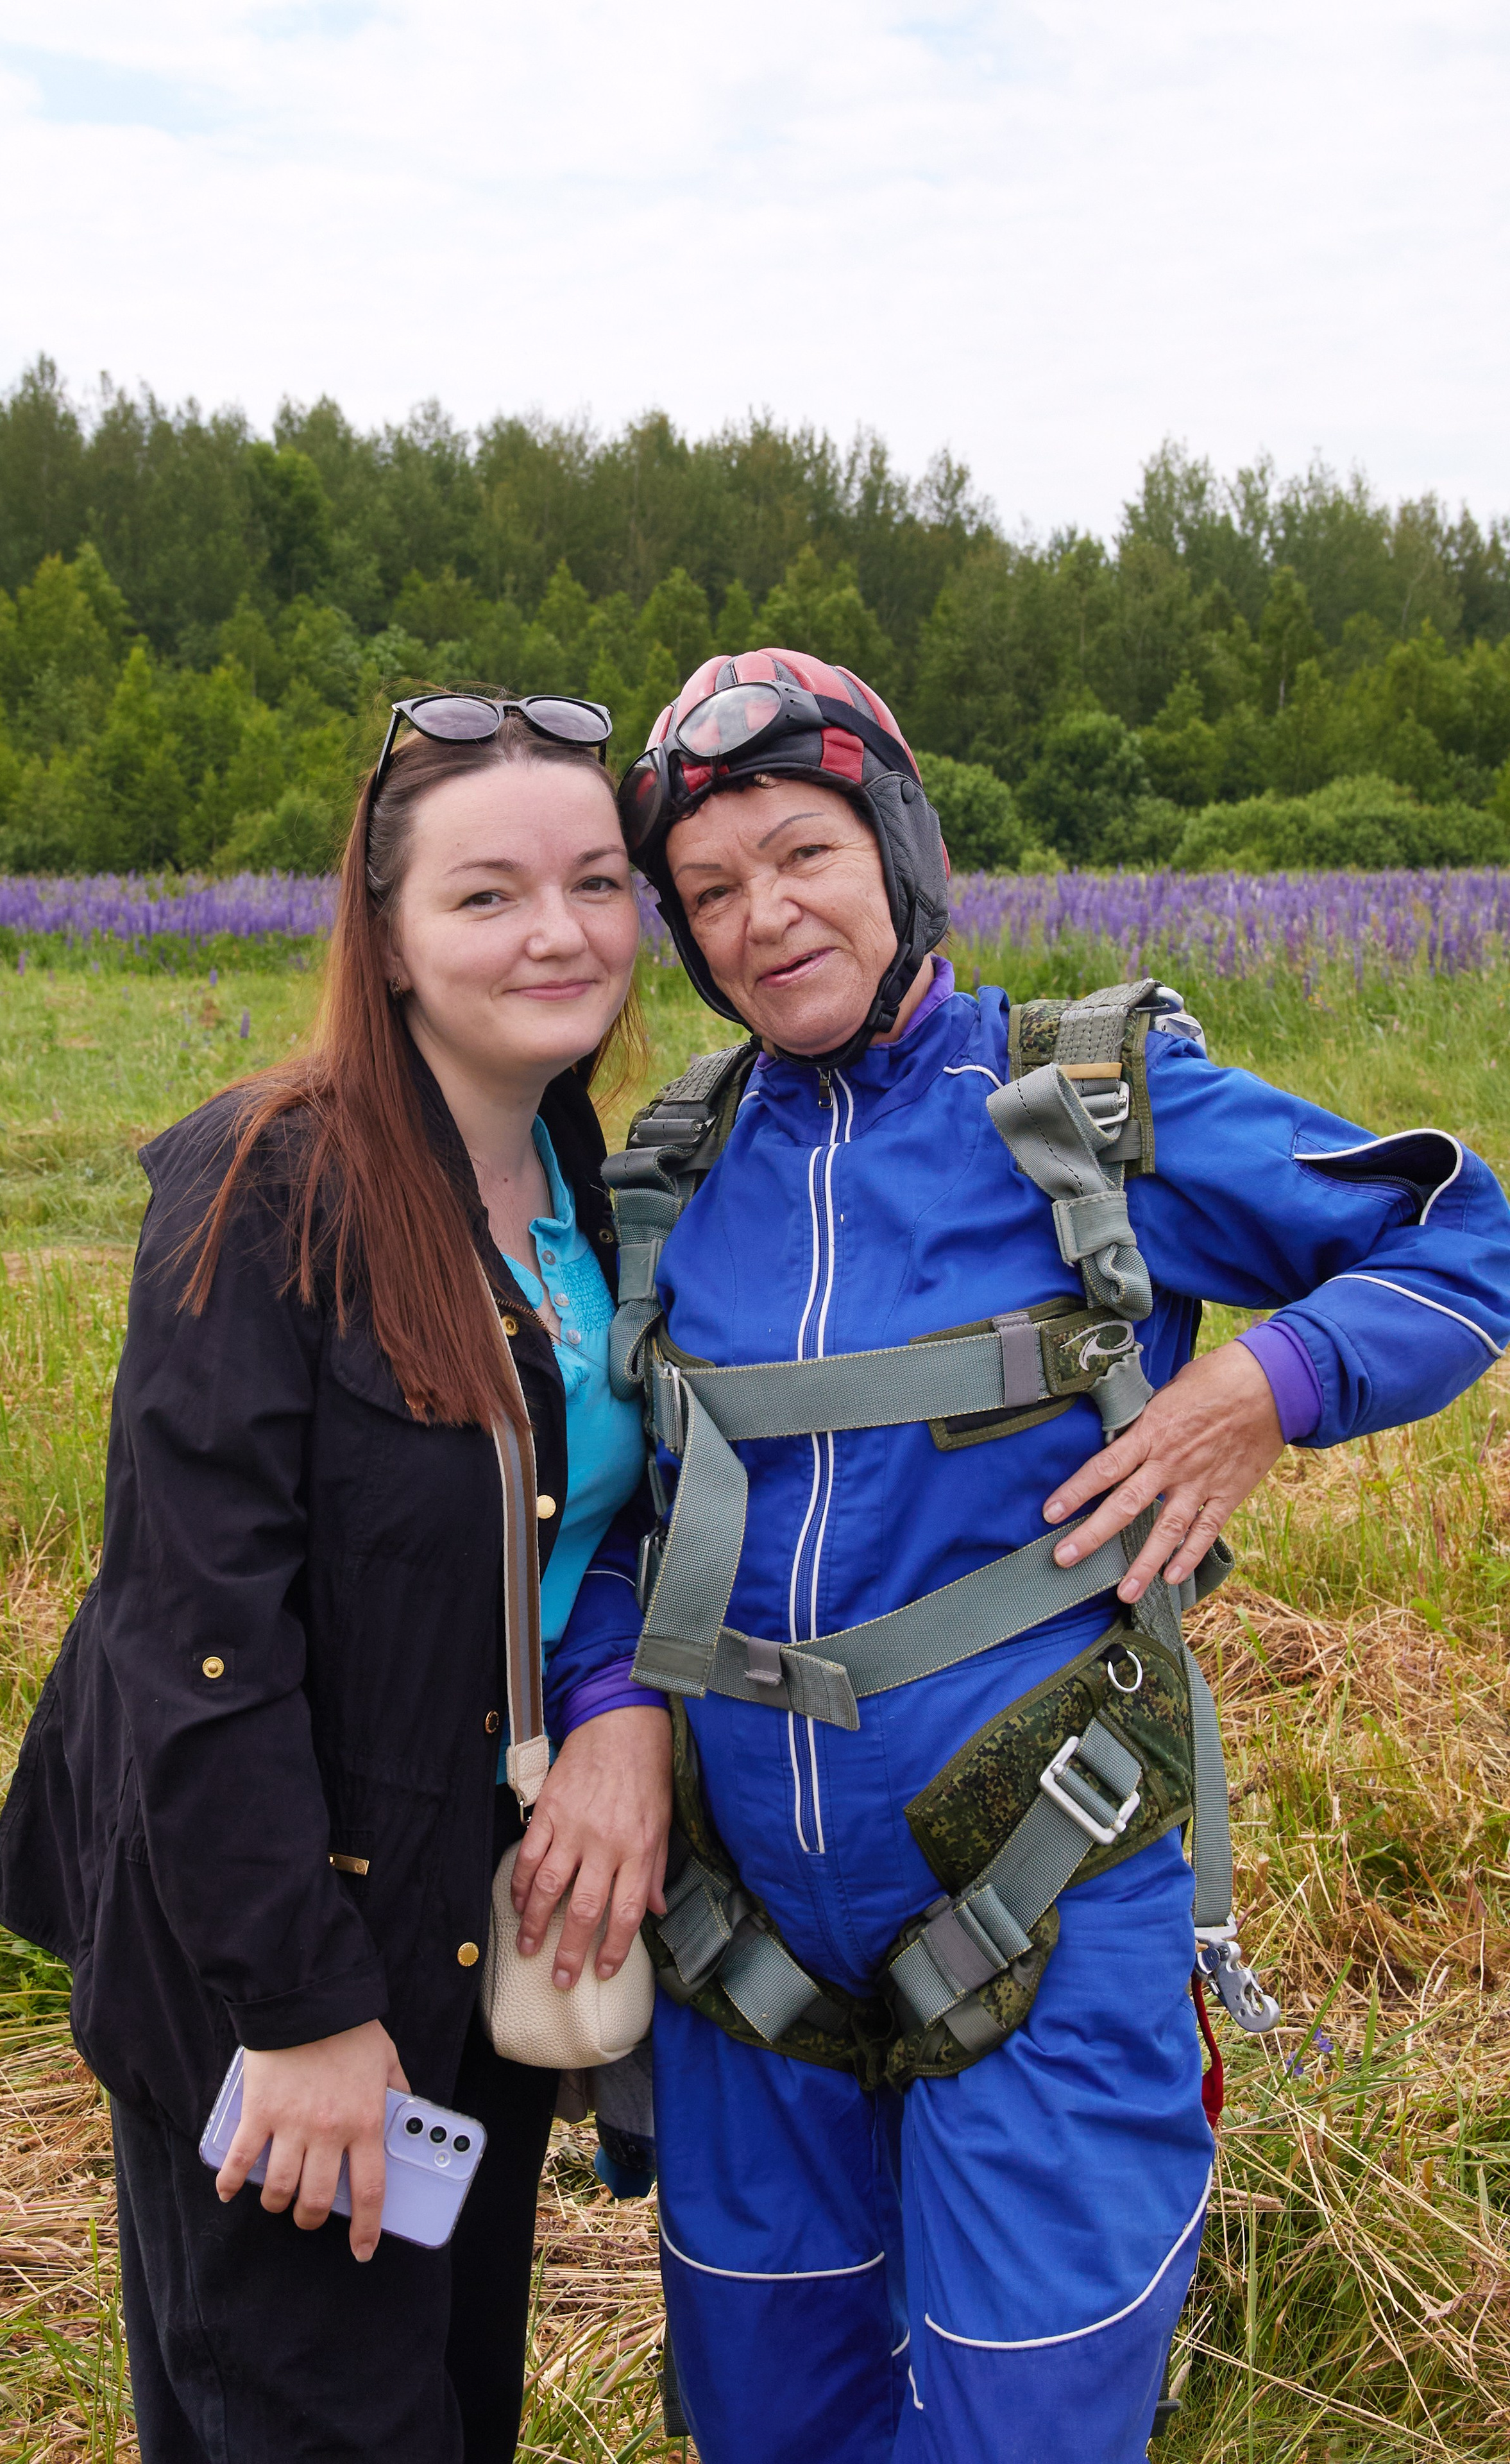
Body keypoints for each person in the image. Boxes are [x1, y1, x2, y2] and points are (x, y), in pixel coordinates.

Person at [545, 647, 1510, 2464]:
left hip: (1043, 1902)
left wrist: (1265, 1386)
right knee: (766, 2426)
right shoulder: (671, 1177)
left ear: (902, 852)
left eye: (806, 854)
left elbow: (1468, 1239)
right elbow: (608, 1515)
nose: (766, 917)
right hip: (741, 1959)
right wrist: (607, 1702)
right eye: (712, 889)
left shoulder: (1088, 1110)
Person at [0, 692, 674, 2464]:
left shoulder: (576, 1172)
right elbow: (190, 1637)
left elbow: (587, 1524)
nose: (560, 932)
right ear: (389, 933)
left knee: (448, 2401)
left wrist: (623, 1712)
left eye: (596, 882)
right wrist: (298, 2017)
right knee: (312, 2417)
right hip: (278, 1938)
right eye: (488, 895)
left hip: (467, 1916)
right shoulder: (270, 1179)